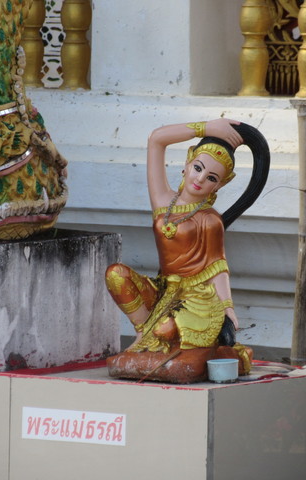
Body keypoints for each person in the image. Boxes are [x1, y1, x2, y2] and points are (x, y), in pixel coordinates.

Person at [105, 118, 247, 365]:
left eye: (212, 178)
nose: (200, 179)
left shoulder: (210, 220)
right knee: (115, 275)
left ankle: (156, 337)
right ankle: (143, 335)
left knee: (166, 329)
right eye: (198, 168)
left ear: (220, 185)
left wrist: (227, 307)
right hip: (162, 289)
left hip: (194, 297)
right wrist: (206, 128)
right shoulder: (163, 201)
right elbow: (156, 140)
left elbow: (218, 267)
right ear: (187, 163)